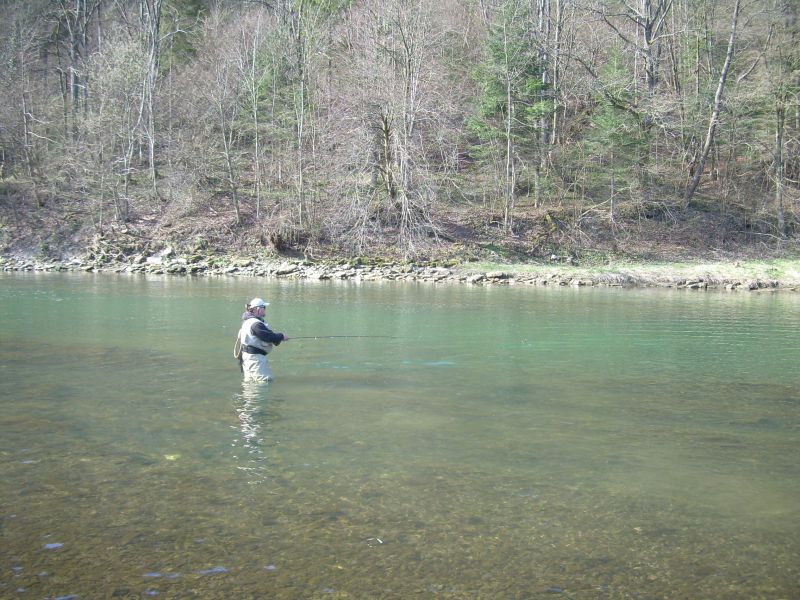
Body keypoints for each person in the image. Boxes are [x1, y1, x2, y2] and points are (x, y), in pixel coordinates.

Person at [237, 297, 288, 382]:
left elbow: (267, 335)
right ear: (258, 309)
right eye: (264, 307)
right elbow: (268, 336)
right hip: (255, 359)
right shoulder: (256, 324)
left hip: (248, 358)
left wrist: (279, 337)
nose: (265, 309)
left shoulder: (248, 321)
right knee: (265, 381)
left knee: (250, 382)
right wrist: (282, 336)